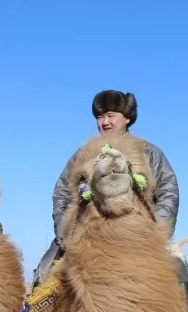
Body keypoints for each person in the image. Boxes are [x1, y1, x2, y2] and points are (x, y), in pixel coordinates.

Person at [32, 89, 179, 285]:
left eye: (111, 115)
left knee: (176, 274)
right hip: (87, 233)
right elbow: (62, 193)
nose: (105, 122)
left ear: (127, 118)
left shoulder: (149, 152)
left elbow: (168, 191)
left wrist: (156, 229)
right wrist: (64, 231)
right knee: (45, 274)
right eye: (100, 117)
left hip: (138, 233)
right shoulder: (83, 154)